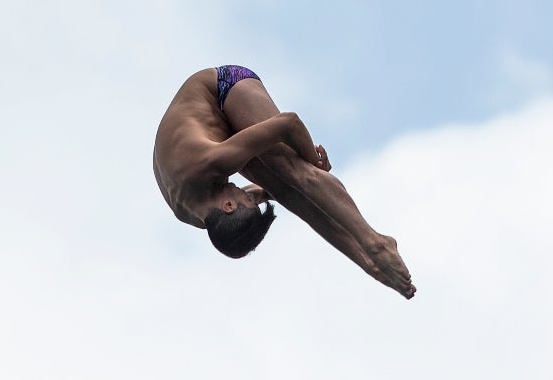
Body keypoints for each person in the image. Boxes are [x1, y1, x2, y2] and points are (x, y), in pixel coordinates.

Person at [153, 65, 416, 299]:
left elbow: (289, 123)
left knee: (296, 173)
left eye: (247, 199)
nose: (248, 194)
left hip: (223, 89)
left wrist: (312, 161)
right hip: (215, 137)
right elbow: (264, 193)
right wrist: (272, 193)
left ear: (230, 206)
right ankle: (366, 262)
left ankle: (374, 243)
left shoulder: (211, 162)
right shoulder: (202, 216)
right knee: (288, 193)